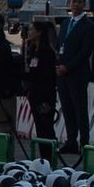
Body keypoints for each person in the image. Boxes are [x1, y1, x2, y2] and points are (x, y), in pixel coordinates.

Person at [19, 19, 65, 148]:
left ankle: (49, 158)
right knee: (40, 128)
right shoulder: (33, 50)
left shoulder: (46, 52)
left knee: (46, 129)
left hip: (44, 95)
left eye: (31, 30)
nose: (28, 32)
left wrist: (46, 100)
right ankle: (44, 157)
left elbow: (47, 77)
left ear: (39, 33)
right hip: (35, 93)